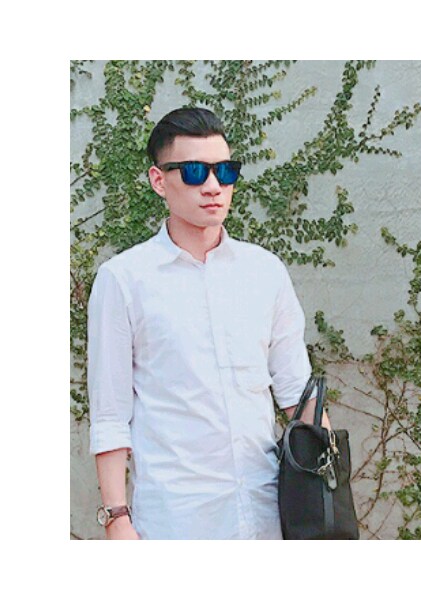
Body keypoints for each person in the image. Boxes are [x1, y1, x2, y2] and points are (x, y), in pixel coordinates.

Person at [87, 107, 330, 540]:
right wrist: (117, 518)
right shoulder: (124, 280)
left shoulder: (264, 272)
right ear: (158, 180)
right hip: (175, 520)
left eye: (225, 171)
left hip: (265, 513)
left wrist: (330, 490)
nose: (214, 186)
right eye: (195, 171)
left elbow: (298, 391)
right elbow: (110, 413)